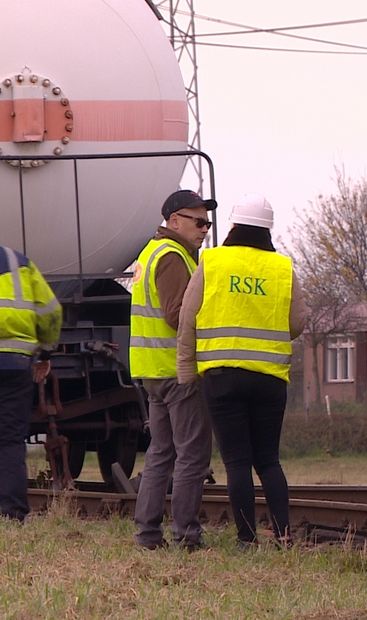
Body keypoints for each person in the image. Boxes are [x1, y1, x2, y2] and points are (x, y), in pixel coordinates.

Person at [177, 194, 305, 548]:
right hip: (269, 378)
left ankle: (246, 539)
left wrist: (186, 373)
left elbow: (188, 318)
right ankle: (283, 535)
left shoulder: (214, 261)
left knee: (237, 461)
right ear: (268, 231)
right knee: (268, 460)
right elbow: (297, 323)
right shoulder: (282, 268)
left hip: (222, 378)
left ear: (233, 225)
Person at [130, 189, 216, 551]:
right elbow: (176, 312)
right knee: (191, 454)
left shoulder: (149, 253)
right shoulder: (172, 256)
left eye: (208, 223)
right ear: (175, 221)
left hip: (152, 370)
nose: (205, 230)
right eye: (199, 222)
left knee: (161, 453)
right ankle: (186, 535)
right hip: (176, 371)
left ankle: (148, 534)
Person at [0, 246, 61, 522]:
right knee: (10, 440)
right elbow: (50, 312)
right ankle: (12, 512)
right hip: (15, 364)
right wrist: (45, 353)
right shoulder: (18, 262)